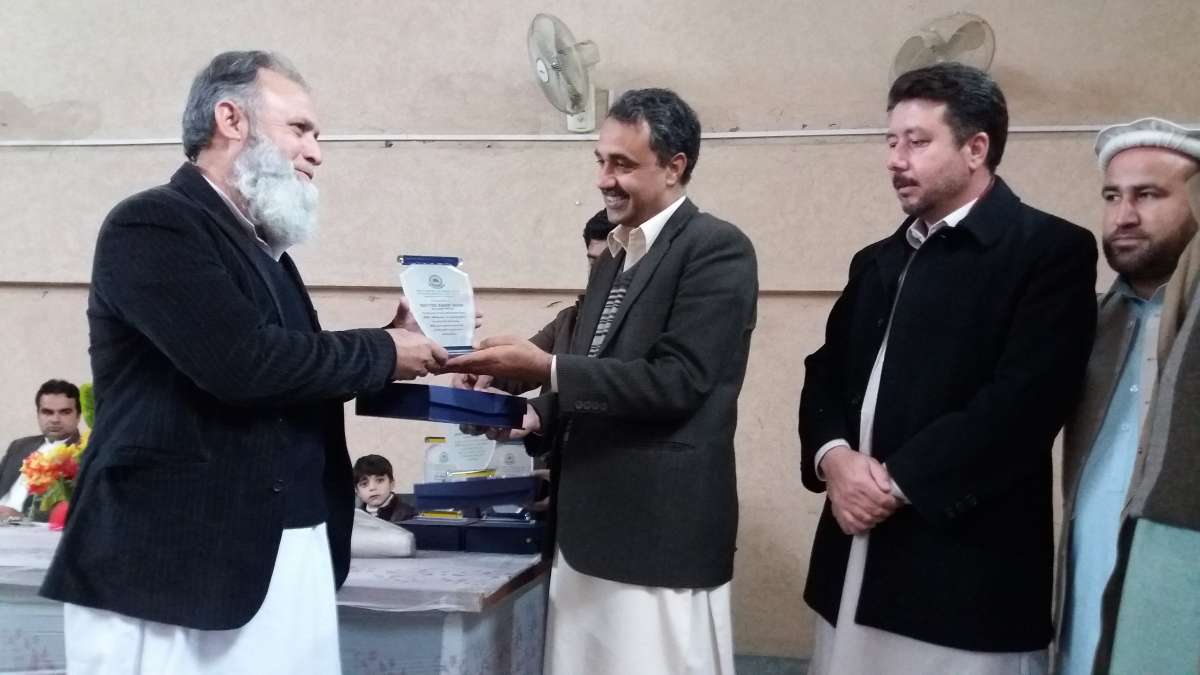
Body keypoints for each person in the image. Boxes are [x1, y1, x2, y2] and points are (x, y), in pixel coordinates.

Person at [39, 51, 446, 674]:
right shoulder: (153, 223)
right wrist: (385, 350)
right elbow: (243, 363)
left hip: (277, 549)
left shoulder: (266, 253)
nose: (316, 153)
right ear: (231, 119)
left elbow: (293, 371)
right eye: (300, 129)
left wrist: (396, 346)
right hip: (176, 567)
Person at [798, 62, 1097, 674]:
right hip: (852, 548)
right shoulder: (876, 260)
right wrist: (834, 459)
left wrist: (890, 485)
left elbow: (1023, 405)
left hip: (962, 570)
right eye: (891, 141)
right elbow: (824, 373)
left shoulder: (1047, 251)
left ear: (976, 149)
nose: (895, 159)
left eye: (917, 141)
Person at [446, 88, 758, 675]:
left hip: (654, 539)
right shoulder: (613, 256)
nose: (603, 180)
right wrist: (524, 410)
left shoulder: (716, 248)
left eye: (622, 164)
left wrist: (546, 370)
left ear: (674, 166)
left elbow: (678, 383)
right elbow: (594, 373)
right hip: (585, 533)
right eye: (600, 161)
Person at [1056, 118, 1200, 674]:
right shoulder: (1094, 324)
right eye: (1113, 196)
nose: (1124, 216)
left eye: (1149, 195)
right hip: (1084, 600)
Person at [0, 379, 83, 519]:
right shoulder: (19, 445)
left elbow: (79, 510)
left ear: (78, 416)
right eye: (47, 412)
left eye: (65, 412)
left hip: (29, 528)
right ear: (38, 415)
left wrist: (20, 517)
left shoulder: (84, 453)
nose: (55, 419)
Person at [354, 454, 416, 523]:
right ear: (357, 491)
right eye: (364, 484)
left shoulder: (409, 515)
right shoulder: (355, 517)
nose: (372, 488)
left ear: (391, 484)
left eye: (380, 480)